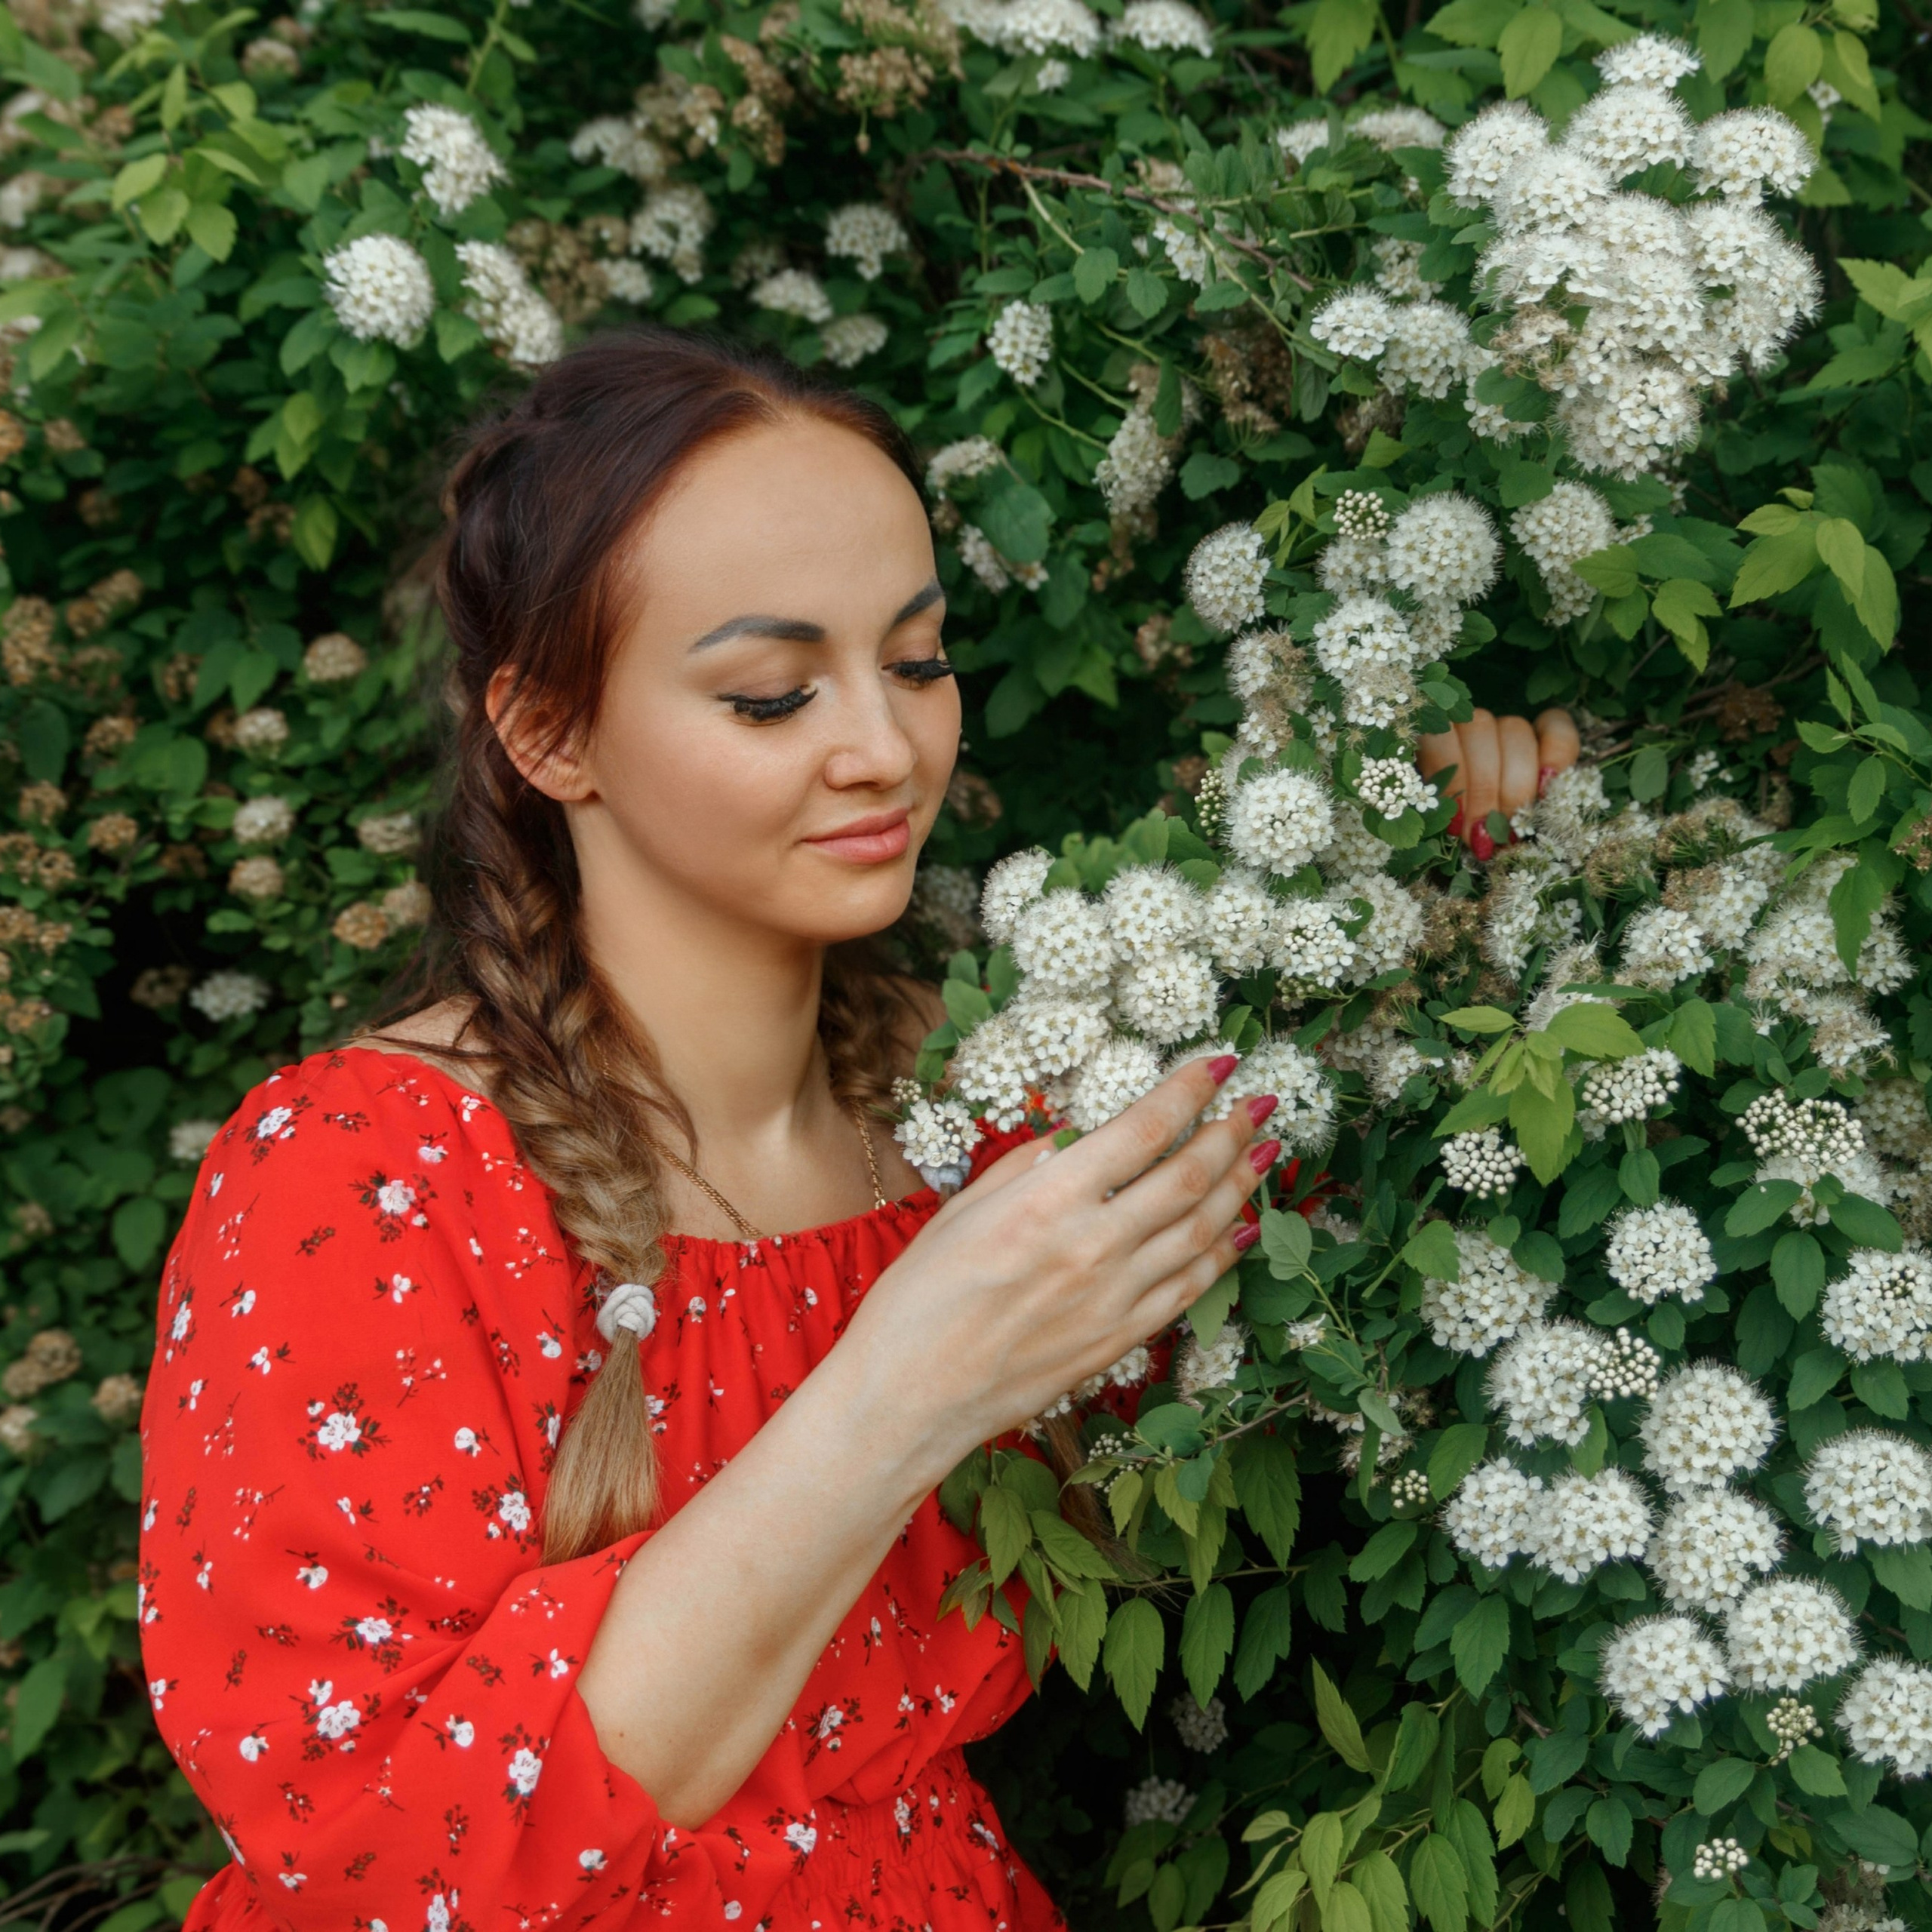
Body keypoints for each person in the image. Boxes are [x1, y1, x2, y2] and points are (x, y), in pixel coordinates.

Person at [137, 328, 1278, 1932]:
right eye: (769, 692)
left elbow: (1324, 1228)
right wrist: (907, 1381)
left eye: (919, 658)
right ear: (546, 733)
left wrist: (1467, 850)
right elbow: (391, 1861)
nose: (883, 748)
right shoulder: (366, 1181)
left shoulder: (979, 1129)